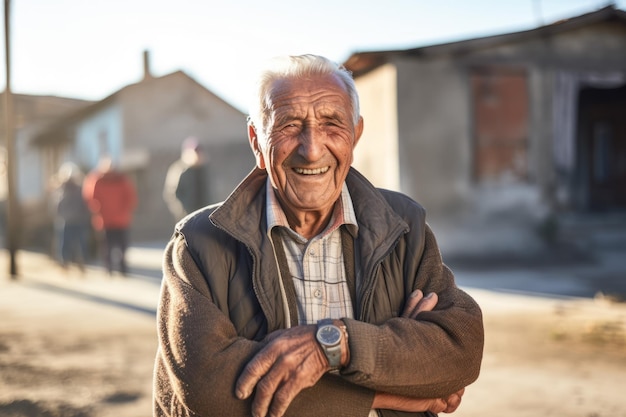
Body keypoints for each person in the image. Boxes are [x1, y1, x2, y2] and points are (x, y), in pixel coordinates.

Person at [153, 54, 484, 417]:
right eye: (290, 125)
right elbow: (213, 393)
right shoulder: (199, 243)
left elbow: (459, 349)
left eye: (331, 124)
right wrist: (394, 390)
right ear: (256, 142)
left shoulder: (403, 225)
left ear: (355, 136)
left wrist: (334, 343)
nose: (311, 149)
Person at [82, 156, 137, 276]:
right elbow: (91, 198)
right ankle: (109, 268)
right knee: (107, 246)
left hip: (120, 219)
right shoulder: (96, 180)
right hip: (105, 220)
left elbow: (130, 197)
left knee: (121, 246)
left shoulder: (122, 180)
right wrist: (98, 210)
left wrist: (125, 210)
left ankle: (121, 268)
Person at [50, 162, 91, 272]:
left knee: (80, 243)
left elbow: (85, 204)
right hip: (66, 221)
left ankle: (81, 263)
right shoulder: (61, 190)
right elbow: (57, 205)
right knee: (65, 244)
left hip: (77, 220)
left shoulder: (79, 189)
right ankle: (65, 263)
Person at [163, 136, 211, 221]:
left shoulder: (204, 169)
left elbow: (208, 192)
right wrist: (183, 212)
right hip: (187, 216)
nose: (198, 155)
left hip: (203, 214)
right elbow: (172, 194)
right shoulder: (179, 170)